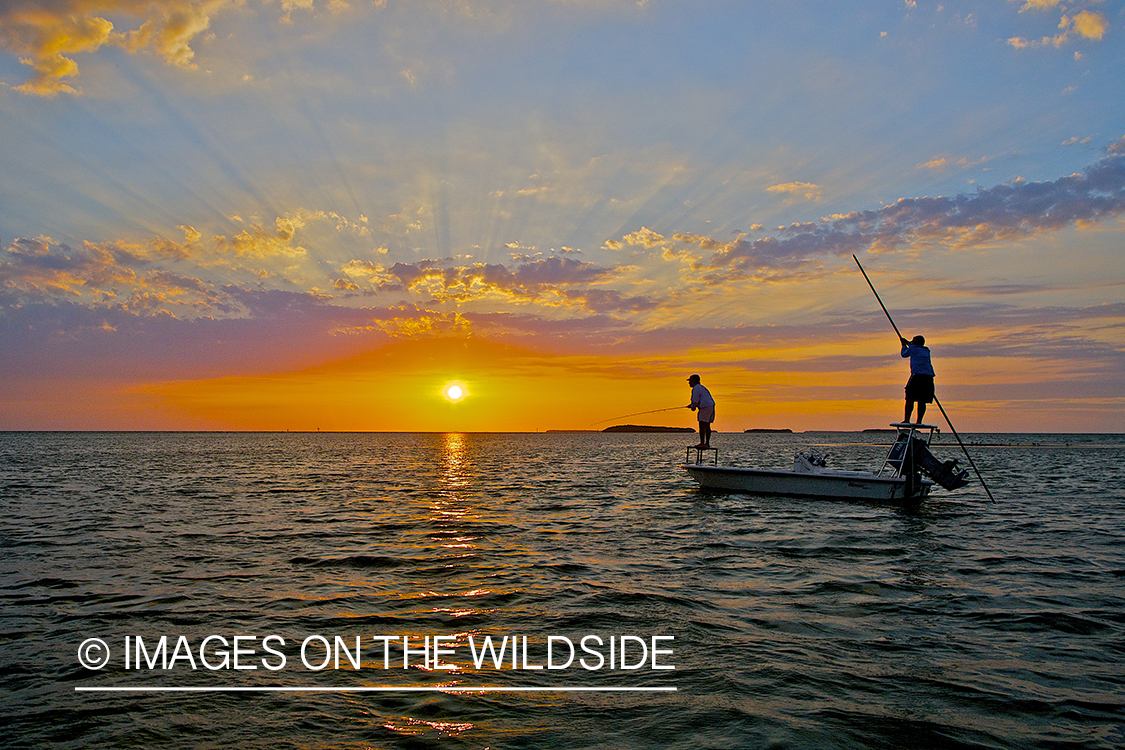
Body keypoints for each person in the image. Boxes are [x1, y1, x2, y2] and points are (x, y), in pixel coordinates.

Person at [900, 334, 935, 424]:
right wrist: (907, 342)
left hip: (917, 376)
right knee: (922, 400)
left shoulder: (913, 348)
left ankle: (907, 420)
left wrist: (903, 345)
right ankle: (919, 421)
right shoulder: (926, 350)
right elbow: (913, 346)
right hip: (928, 377)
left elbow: (904, 354)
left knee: (909, 398)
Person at [686, 374, 715, 448]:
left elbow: (695, 401)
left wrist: (692, 407)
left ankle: (702, 443)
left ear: (693, 381)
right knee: (707, 425)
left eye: (690, 381)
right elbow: (700, 399)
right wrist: (693, 405)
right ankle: (707, 443)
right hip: (711, 406)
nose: (689, 383)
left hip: (705, 407)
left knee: (702, 425)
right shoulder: (702, 388)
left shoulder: (695, 388)